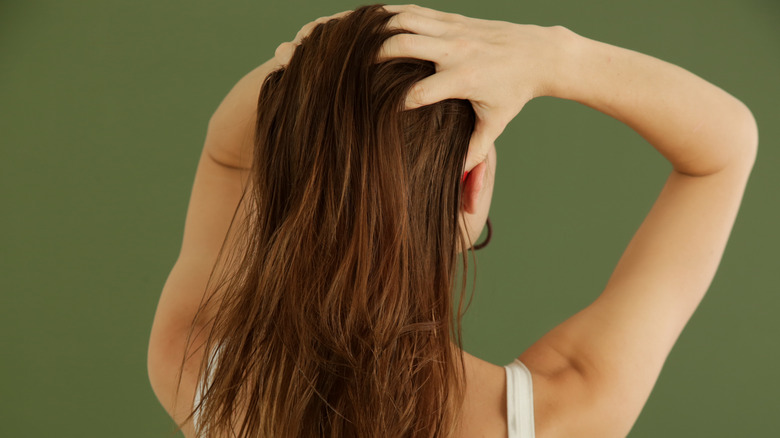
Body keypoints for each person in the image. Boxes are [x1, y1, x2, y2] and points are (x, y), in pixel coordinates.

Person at [147, 4, 758, 437]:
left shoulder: (199, 371)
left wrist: (311, 71)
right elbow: (724, 149)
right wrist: (555, 55)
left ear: (283, 180)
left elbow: (226, 155)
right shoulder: (557, 415)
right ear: (473, 185)